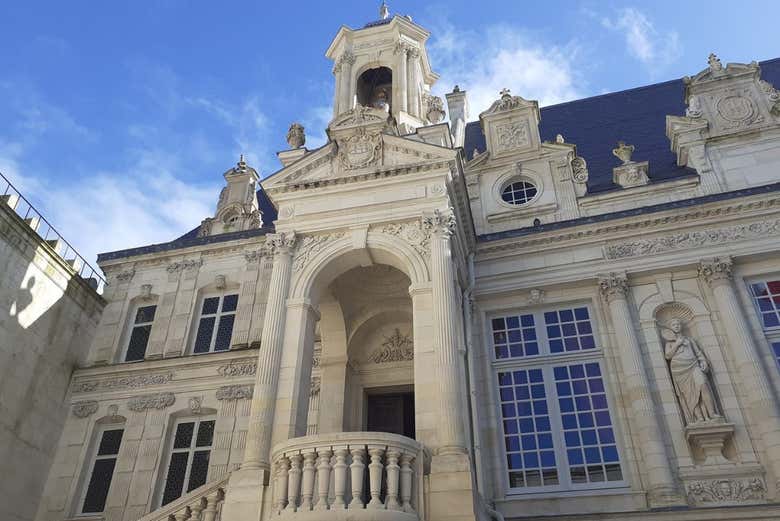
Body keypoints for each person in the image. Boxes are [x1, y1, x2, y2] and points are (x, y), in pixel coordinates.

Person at [663, 318, 721, 423]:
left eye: (678, 324)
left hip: (694, 365)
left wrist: (703, 361)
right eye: (674, 325)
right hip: (679, 370)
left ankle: (711, 413)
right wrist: (677, 344)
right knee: (689, 394)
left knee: (703, 385)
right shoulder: (670, 343)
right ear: (671, 328)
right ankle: (698, 418)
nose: (676, 326)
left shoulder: (689, 340)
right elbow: (668, 355)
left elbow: (698, 353)